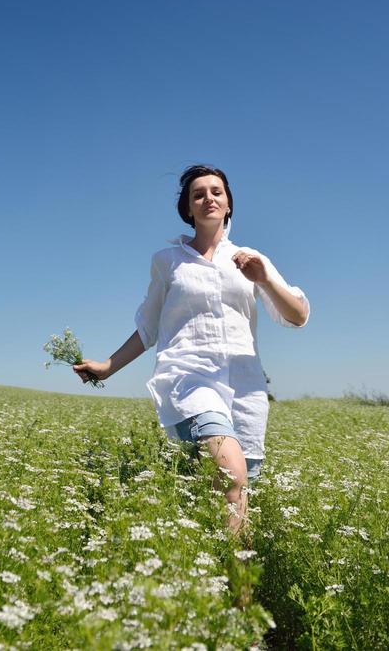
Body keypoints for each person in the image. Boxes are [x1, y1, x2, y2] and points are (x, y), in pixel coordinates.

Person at [73, 164, 310, 535]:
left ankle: (237, 587)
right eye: (198, 194)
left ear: (229, 203)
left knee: (235, 491)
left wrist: (263, 278)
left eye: (216, 191)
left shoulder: (250, 259)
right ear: (188, 209)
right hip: (189, 376)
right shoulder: (168, 263)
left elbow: (296, 316)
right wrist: (107, 366)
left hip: (244, 387)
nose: (208, 198)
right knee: (230, 472)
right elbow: (147, 327)